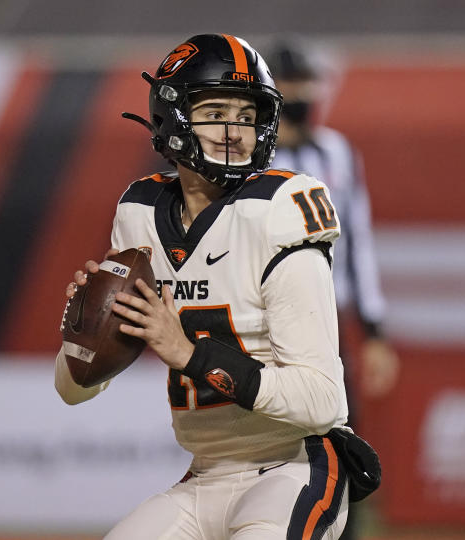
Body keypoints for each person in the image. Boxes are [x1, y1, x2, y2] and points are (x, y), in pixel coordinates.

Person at [55, 34, 374, 539]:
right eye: (216, 111)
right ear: (173, 118)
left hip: (294, 467)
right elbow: (71, 391)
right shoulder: (140, 213)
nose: (235, 130)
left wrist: (189, 354)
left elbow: (323, 401)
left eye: (247, 117)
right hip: (204, 475)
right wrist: (84, 331)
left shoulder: (281, 209)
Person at [267, 40, 400, 539]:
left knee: (339, 431)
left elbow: (358, 241)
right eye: (289, 83)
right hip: (267, 320)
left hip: (328, 319)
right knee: (271, 433)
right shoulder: (249, 162)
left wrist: (375, 330)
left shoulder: (336, 151)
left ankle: (344, 529)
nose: (300, 93)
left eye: (304, 83)